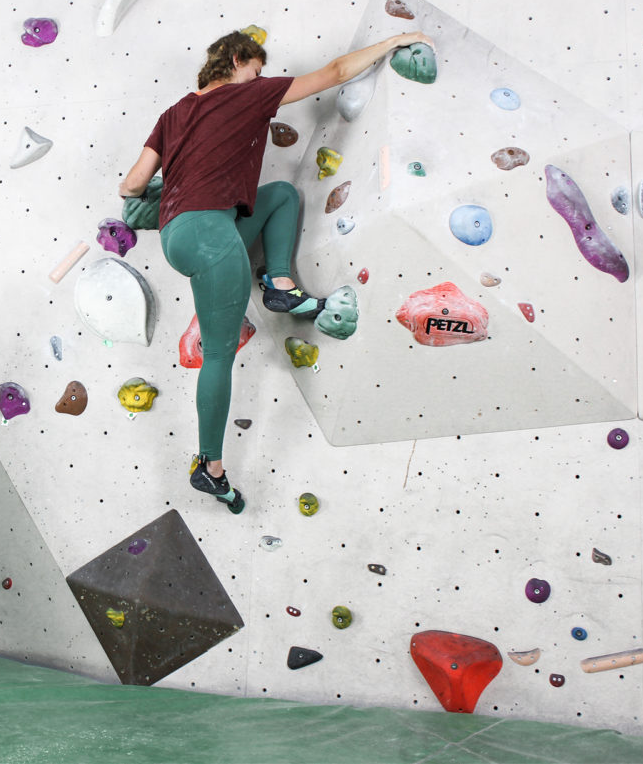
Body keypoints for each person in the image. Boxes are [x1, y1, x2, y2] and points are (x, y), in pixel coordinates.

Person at [119, 29, 431, 512]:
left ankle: (280, 285)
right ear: (238, 60)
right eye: (257, 69)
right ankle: (210, 465)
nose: (260, 79)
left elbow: (132, 184)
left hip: (182, 236)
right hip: (212, 235)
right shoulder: (248, 94)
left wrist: (172, 195)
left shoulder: (172, 114)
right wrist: (394, 41)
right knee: (219, 354)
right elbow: (334, 74)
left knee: (281, 196)